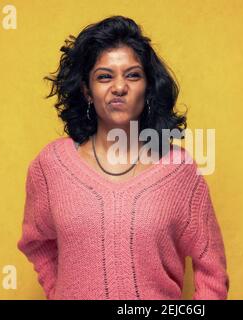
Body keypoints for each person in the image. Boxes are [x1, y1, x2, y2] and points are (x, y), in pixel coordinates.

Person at [17, 15, 229, 300]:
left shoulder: (179, 170)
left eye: (132, 75)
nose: (119, 87)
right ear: (87, 90)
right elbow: (36, 241)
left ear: (148, 87)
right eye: (105, 76)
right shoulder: (51, 166)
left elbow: (212, 271)